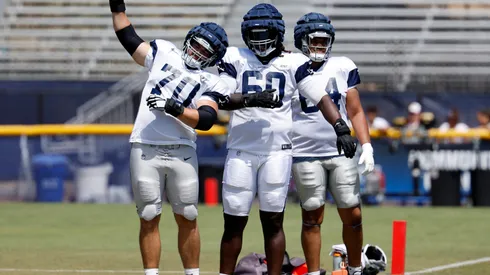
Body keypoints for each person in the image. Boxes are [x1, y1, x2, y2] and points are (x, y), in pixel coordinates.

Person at [109, 1, 280, 275]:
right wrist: (117, 10)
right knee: (149, 215)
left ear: (213, 58)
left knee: (188, 215)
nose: (198, 52)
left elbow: (207, 119)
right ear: (188, 40)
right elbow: (128, 37)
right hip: (145, 146)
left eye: (205, 51)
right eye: (196, 45)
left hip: (182, 150)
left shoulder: (210, 81)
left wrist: (174, 108)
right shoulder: (164, 52)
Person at [216, 4, 357, 275]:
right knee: (233, 222)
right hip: (241, 151)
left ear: (278, 33)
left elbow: (321, 96)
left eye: (264, 34)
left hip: (276, 152)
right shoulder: (235, 57)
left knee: (273, 221)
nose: (259, 41)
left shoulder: (293, 62)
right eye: (254, 35)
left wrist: (340, 126)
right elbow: (219, 95)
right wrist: (252, 99)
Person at [291, 12, 375, 275]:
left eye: (324, 41)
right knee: (312, 216)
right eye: (314, 41)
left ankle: (355, 268)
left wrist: (367, 145)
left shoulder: (342, 65)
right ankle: (314, 272)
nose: (319, 46)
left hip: (342, 150)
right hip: (304, 152)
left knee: (353, 213)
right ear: (301, 41)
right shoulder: (289, 65)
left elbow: (356, 110)